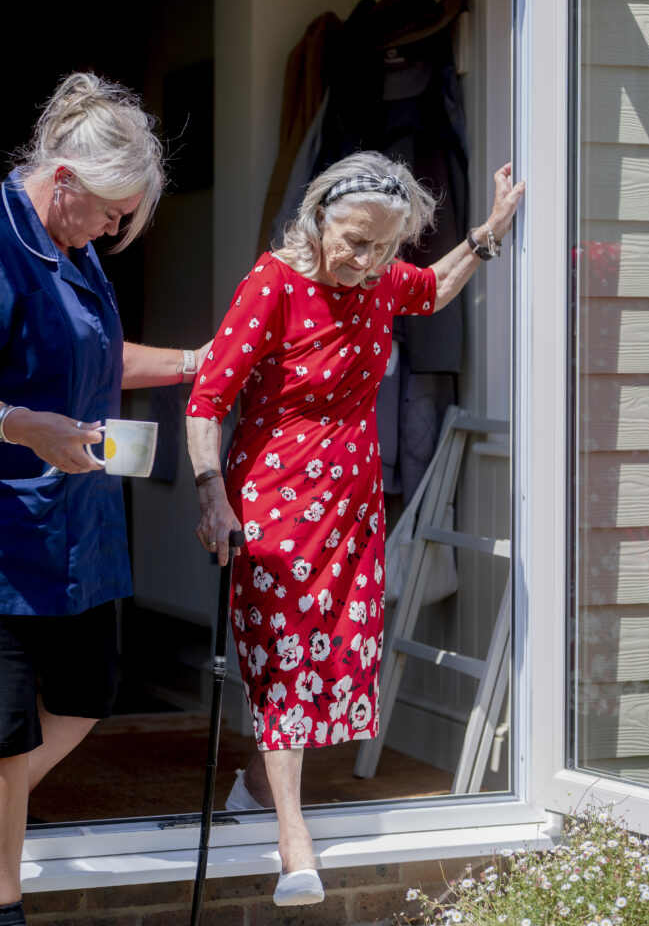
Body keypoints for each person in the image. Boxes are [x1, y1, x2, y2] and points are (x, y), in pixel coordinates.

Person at [186, 150, 524, 907]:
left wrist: (487, 233)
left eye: (381, 246)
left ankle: (251, 787)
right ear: (316, 220)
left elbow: (430, 290)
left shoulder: (378, 281)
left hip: (353, 499)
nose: (365, 260)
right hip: (274, 498)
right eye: (352, 240)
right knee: (287, 651)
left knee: (336, 649)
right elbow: (207, 400)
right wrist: (213, 495)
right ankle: (292, 838)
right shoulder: (272, 284)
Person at [0, 72, 208, 926]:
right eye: (112, 212)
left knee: (87, 695)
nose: (116, 231)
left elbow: (100, 361)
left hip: (76, 531)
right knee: (6, 731)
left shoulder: (73, 247)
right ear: (63, 183)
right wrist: (19, 425)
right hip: (6, 534)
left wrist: (201, 362)